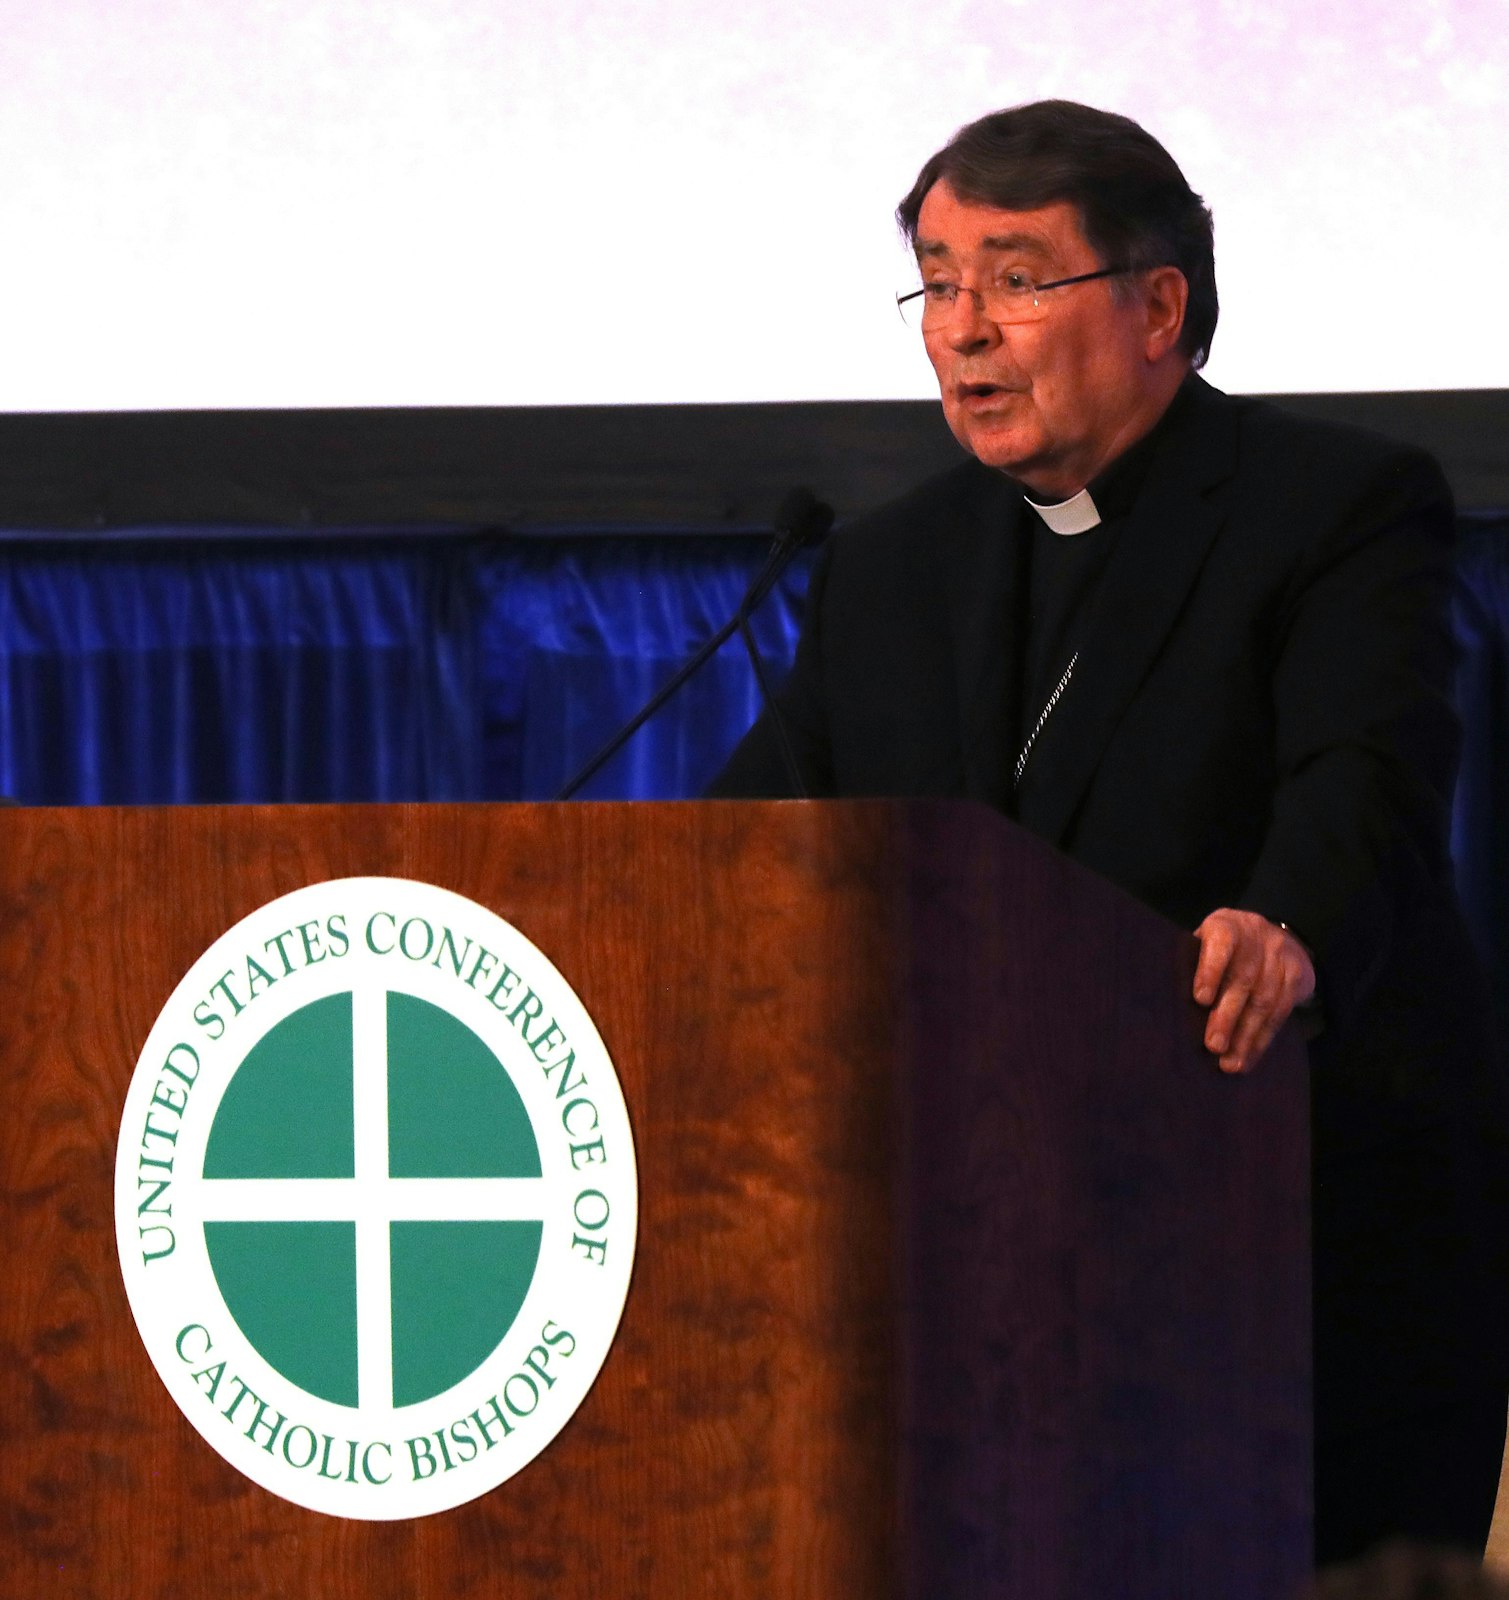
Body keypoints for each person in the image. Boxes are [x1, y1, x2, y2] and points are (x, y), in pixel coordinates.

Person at [710, 99, 1509, 1564]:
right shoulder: (890, 568)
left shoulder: (1330, 509)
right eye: (937, 282)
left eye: (1014, 279)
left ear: (1158, 305)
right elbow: (754, 841)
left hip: (1290, 1238)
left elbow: (1366, 776)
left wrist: (1284, 928)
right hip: (974, 1285)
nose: (961, 329)